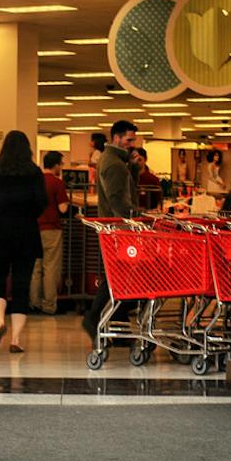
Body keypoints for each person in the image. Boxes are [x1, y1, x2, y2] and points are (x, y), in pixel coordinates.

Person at [0, 131, 49, 355]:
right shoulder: (34, 172)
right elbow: (41, 202)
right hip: (25, 232)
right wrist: (28, 214)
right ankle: (15, 339)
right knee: (21, 286)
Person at [82, 121, 139, 336]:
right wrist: (135, 219)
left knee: (117, 275)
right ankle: (96, 316)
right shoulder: (114, 164)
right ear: (116, 138)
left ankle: (116, 320)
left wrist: (133, 166)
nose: (132, 145)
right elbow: (118, 200)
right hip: (118, 230)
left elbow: (124, 191)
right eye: (129, 140)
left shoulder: (113, 160)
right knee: (119, 275)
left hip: (113, 229)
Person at [32, 150, 70, 314]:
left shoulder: (34, 181)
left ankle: (34, 302)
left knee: (35, 268)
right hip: (51, 229)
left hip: (33, 228)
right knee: (50, 268)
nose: (61, 167)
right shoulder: (57, 183)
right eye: (61, 164)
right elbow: (63, 208)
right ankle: (48, 306)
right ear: (55, 165)